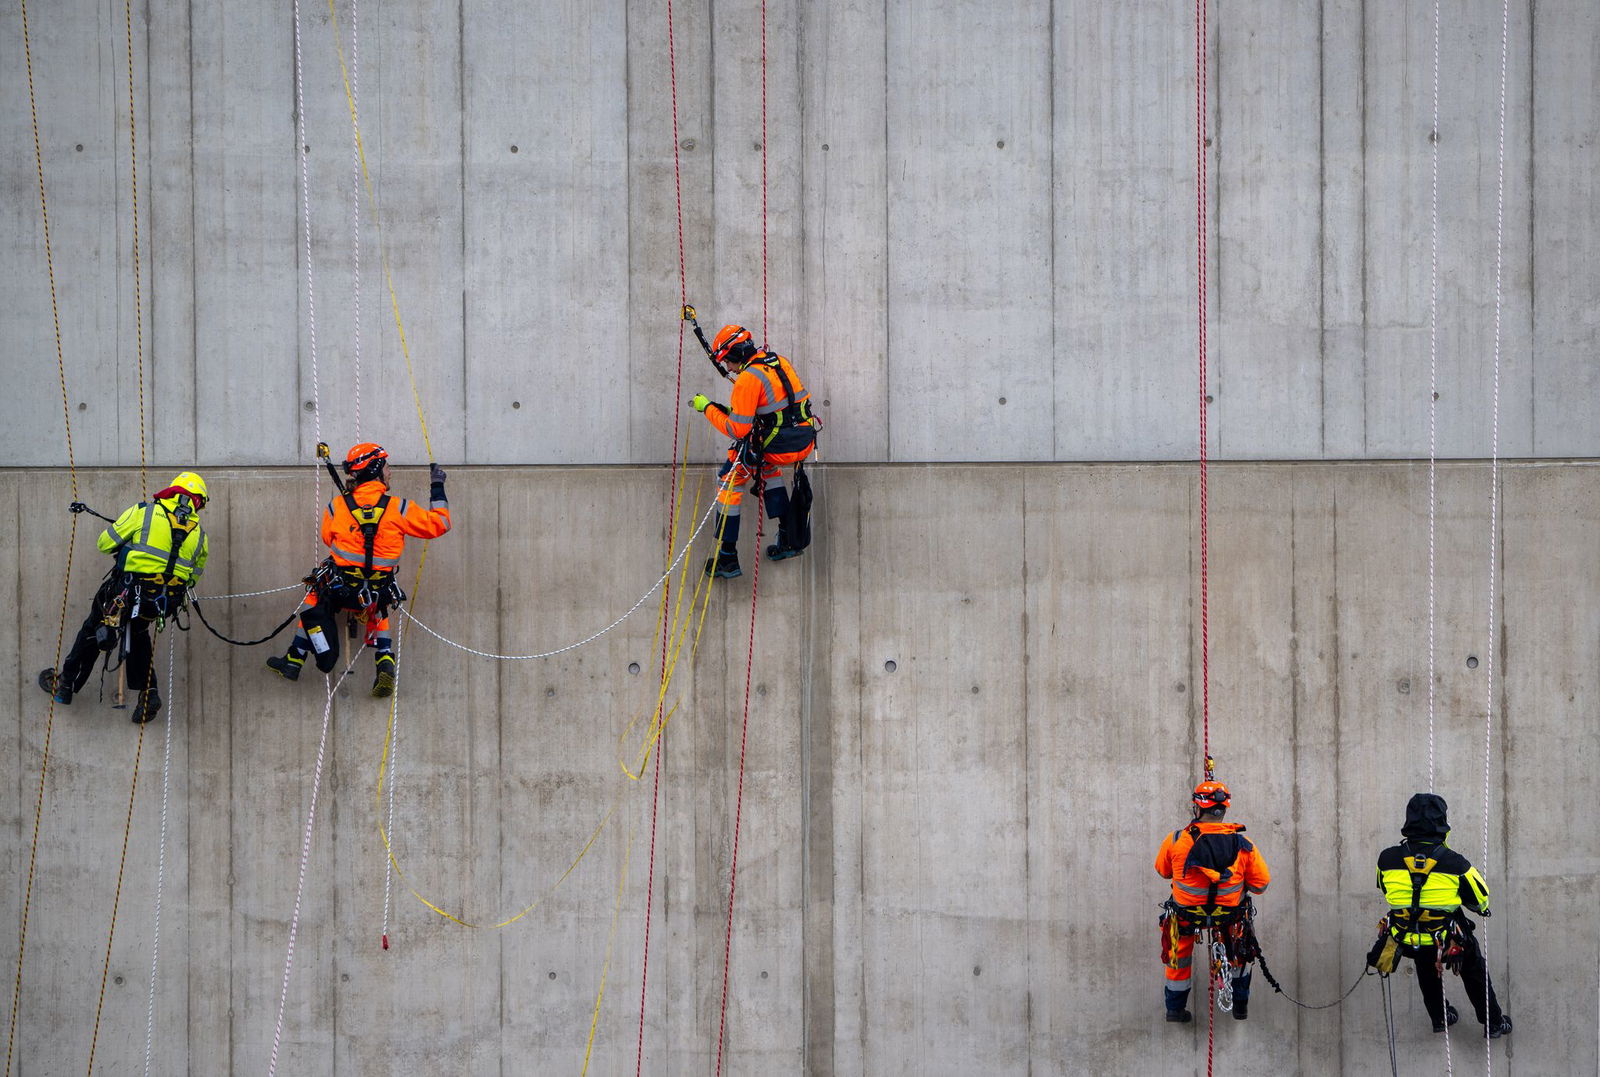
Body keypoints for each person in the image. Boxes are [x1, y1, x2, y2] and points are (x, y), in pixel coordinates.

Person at [265, 443, 449, 697]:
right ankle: (384, 660)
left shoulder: (337, 507)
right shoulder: (399, 508)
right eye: (386, 466)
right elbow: (441, 524)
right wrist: (437, 485)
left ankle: (294, 659)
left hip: (342, 590)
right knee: (380, 603)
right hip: (377, 590)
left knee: (314, 595)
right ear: (375, 470)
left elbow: (329, 539)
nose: (390, 472)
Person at [38, 472, 210, 723]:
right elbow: (193, 576)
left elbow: (104, 543)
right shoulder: (200, 535)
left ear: (172, 491)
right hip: (161, 601)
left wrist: (130, 544)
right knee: (138, 633)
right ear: (197, 501)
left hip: (127, 592)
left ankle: (66, 684)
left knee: (94, 626)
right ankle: (149, 694)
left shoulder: (145, 512)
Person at [1372, 792, 1512, 1037]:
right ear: (1442, 825)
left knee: (1426, 969)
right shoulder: (1456, 864)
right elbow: (1481, 900)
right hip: (1448, 942)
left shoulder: (1386, 859)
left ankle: (1440, 1018)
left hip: (1408, 939)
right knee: (1473, 969)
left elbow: (1384, 887)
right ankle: (1494, 1022)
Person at [690, 322, 819, 579]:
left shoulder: (748, 379)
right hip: (802, 441)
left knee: (728, 481)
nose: (727, 367)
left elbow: (738, 430)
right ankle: (786, 538)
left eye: (728, 360)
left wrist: (707, 409)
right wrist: (732, 411)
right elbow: (775, 409)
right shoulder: (778, 361)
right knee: (768, 470)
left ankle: (727, 557)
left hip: (776, 446)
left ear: (736, 354)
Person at [1154, 779, 1270, 1023]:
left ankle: (1174, 1009)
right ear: (1224, 809)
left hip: (1186, 915)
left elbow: (1163, 871)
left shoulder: (1176, 840)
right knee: (1239, 953)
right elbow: (1261, 885)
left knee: (1179, 956)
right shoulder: (1243, 845)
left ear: (1197, 808)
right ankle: (1240, 1006)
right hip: (1229, 915)